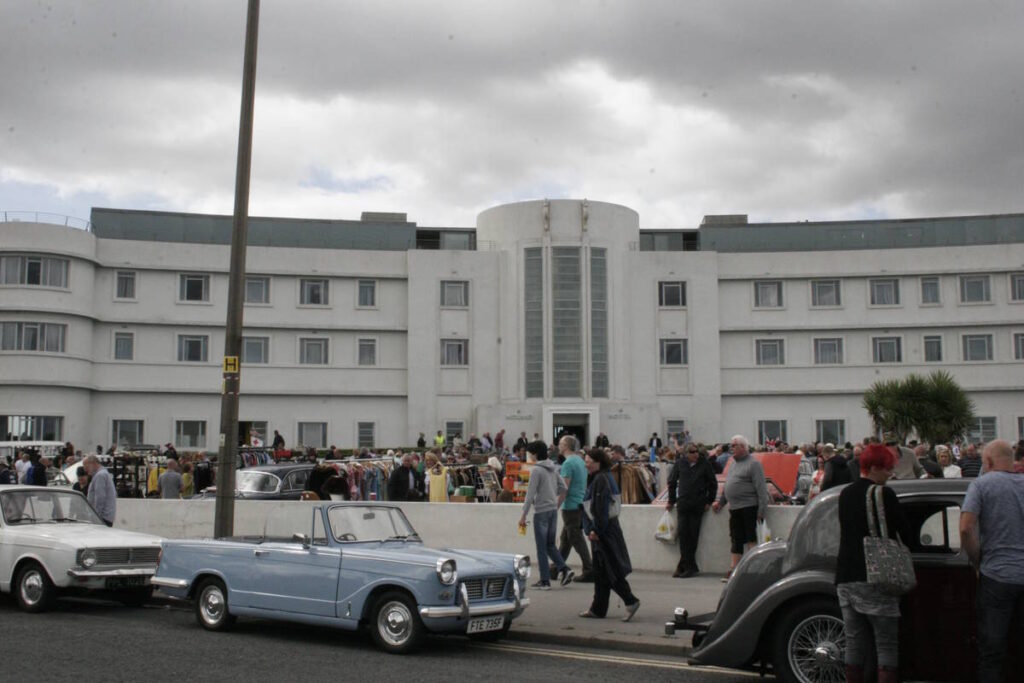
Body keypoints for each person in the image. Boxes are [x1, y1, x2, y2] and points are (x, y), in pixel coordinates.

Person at [835, 442, 907, 683]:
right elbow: (901, 530)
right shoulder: (884, 494)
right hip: (875, 574)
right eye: (887, 469)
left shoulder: (844, 493)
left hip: (846, 576)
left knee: (854, 641)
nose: (890, 474)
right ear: (875, 468)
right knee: (886, 643)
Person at [960, 439, 1024, 683]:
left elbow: (966, 529)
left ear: (987, 461)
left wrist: (977, 561)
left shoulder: (982, 485)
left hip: (997, 576)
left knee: (992, 649)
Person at [579, 448, 640, 621]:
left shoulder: (600, 479)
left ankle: (630, 600)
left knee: (609, 569)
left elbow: (600, 508)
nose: (586, 463)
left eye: (588, 460)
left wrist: (595, 530)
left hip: (603, 531)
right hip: (606, 529)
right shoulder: (603, 477)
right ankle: (598, 609)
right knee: (601, 572)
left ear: (597, 462)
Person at [712, 435, 769, 582]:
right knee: (736, 538)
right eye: (731, 445)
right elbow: (727, 486)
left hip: (749, 506)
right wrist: (721, 503)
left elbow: (761, 489)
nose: (731, 448)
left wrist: (761, 510)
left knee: (751, 538)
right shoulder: (733, 464)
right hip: (734, 508)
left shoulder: (754, 464)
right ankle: (734, 569)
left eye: (734, 445)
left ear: (743, 447)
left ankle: (752, 569)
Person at [518, 440, 571, 590]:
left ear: (534, 454)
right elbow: (564, 488)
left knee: (542, 548)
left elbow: (530, 494)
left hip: (541, 511)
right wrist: (551, 496)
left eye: (529, 453)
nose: (528, 455)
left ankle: (545, 581)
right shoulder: (552, 468)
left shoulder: (536, 470)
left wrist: (523, 515)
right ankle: (565, 570)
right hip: (552, 510)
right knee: (550, 545)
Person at [666, 443, 718, 577]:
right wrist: (671, 500)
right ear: (686, 454)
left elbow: (713, 484)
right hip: (683, 503)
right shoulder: (680, 463)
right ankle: (687, 565)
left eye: (697, 452)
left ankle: (685, 566)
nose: (696, 454)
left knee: (693, 535)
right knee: (683, 535)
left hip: (698, 504)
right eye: (692, 452)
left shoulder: (704, 464)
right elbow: (671, 482)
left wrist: (709, 501)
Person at [556, 436, 594, 582]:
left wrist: (556, 506)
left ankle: (589, 569)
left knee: (576, 539)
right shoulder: (579, 460)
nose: (558, 446)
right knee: (566, 539)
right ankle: (557, 567)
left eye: (560, 444)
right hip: (579, 503)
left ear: (566, 446)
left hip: (570, 506)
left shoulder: (568, 463)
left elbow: (564, 488)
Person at [84, 455, 116, 526]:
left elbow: (100, 498)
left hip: (102, 517)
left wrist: (96, 516)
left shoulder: (100, 476)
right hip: (105, 516)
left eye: (86, 466)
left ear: (94, 463)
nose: (85, 469)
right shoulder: (102, 474)